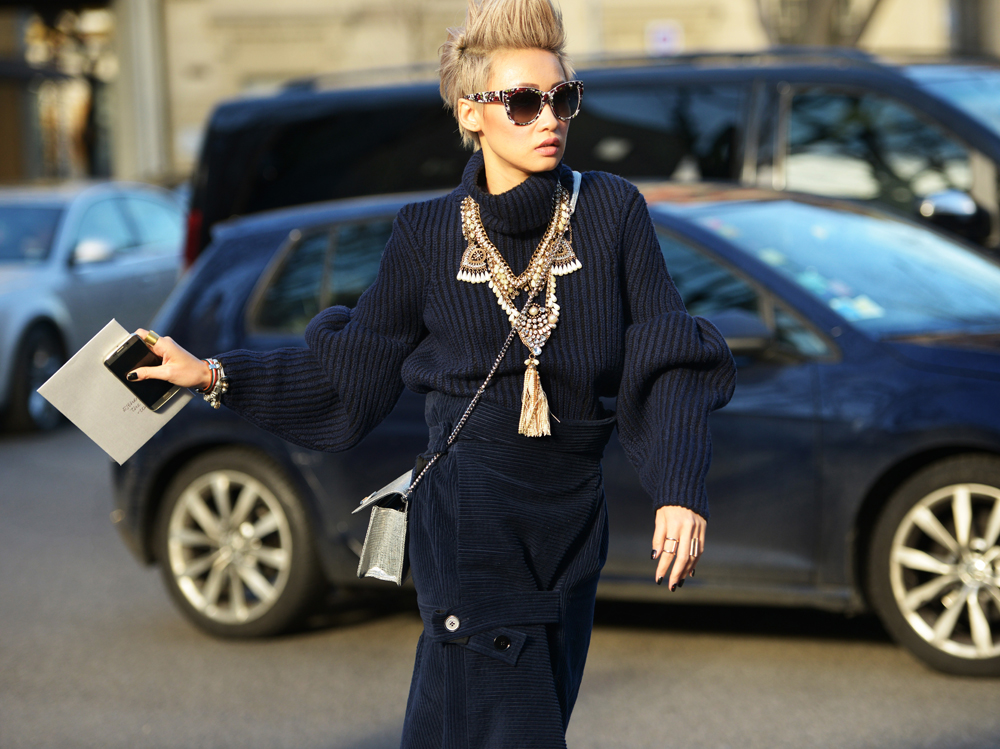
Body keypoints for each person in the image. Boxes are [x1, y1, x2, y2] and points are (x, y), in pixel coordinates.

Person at [130, 0, 736, 745]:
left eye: (563, 98)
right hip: (469, 515)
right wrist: (213, 375)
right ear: (471, 113)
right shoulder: (425, 233)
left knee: (480, 721)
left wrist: (678, 487)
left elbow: (666, 351)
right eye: (524, 102)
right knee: (514, 730)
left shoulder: (612, 211)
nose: (549, 118)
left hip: (573, 518)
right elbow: (353, 376)